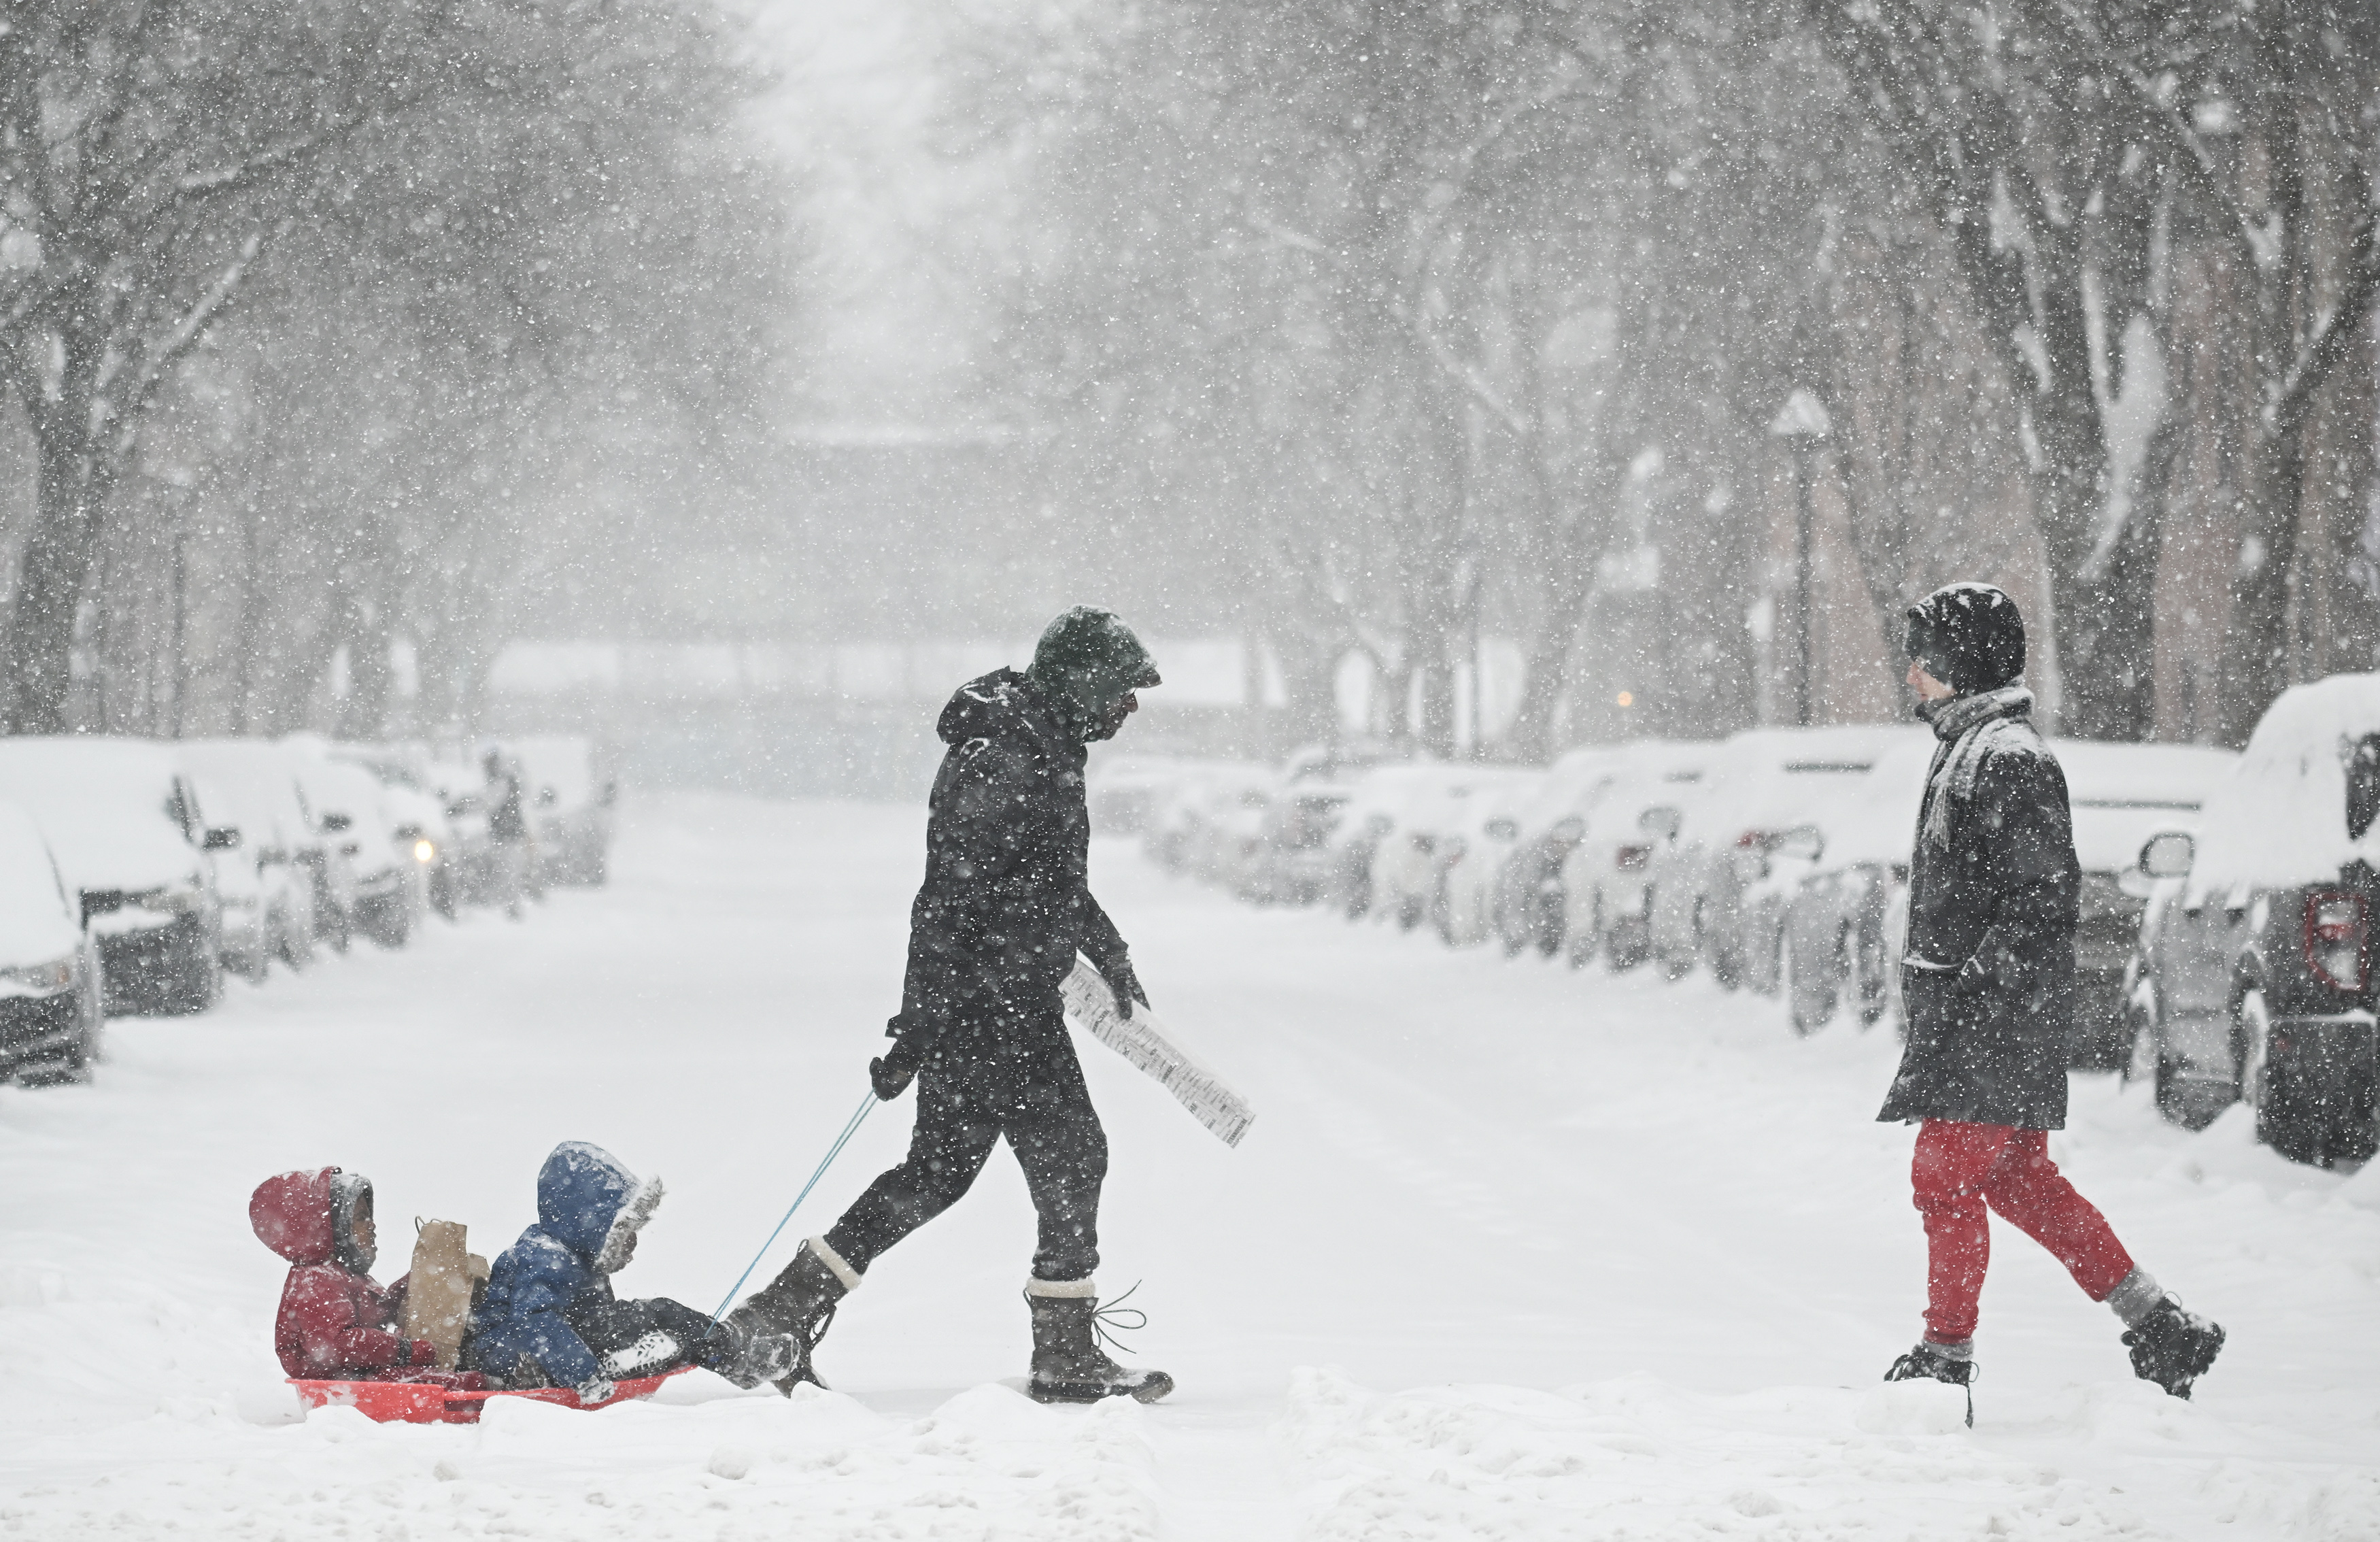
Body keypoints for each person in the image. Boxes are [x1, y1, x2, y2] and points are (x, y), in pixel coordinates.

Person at [726, 606, 1173, 1405]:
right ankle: (1062, 1353)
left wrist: (1102, 943)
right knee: (1070, 1155)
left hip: (996, 998)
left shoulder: (1038, 742)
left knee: (937, 1173)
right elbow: (946, 899)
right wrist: (916, 1024)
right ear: (1079, 683)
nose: (1129, 707)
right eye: (1120, 689)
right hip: (993, 1004)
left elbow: (1045, 878)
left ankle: (783, 1309)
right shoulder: (1006, 757)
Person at [1880, 582, 2225, 1409]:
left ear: (1961, 662)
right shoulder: (1971, 745)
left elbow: (2039, 901)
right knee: (2017, 1181)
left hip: (1991, 1016)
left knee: (1942, 1178)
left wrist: (1969, 992)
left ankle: (1945, 1354)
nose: (1911, 671)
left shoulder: (2006, 757)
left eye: (1924, 656)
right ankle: (2158, 1321)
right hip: (1988, 1014)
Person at [466, 1141, 795, 1399]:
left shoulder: (576, 1252)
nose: (632, 1243)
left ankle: (733, 1355)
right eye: (623, 1233)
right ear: (591, 1224)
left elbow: (594, 1316)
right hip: (518, 1354)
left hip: (568, 1339)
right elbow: (536, 1319)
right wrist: (582, 1372)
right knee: (659, 1316)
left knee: (665, 1313)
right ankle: (636, 1359)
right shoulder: (545, 1256)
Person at [250, 1166, 477, 1386]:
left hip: (359, 1371)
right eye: (360, 1218)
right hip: (341, 1380)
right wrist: (407, 1350)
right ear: (330, 1228)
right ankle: (484, 1391)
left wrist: (415, 1282)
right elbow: (341, 1344)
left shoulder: (346, 1275)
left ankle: (478, 1384)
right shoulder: (315, 1280)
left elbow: (376, 1313)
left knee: (430, 1373)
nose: (372, 1225)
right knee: (432, 1382)